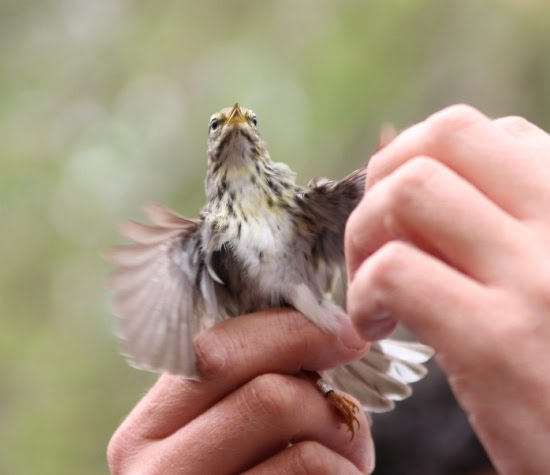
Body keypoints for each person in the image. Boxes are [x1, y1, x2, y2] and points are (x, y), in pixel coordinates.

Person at [107, 105, 550, 474]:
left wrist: (384, 182)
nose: (236, 122)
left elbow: (377, 199)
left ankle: (325, 389)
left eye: (248, 121)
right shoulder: (205, 235)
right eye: (218, 124)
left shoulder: (301, 207)